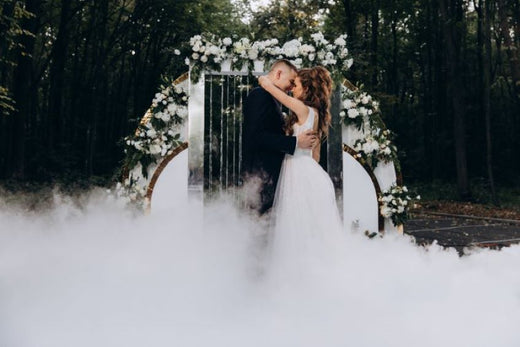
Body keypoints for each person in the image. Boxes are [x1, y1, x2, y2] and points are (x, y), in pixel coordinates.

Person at [258, 66, 344, 271]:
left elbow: (280, 96)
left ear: (307, 88)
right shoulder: (316, 114)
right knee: (305, 224)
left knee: (295, 223)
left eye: (295, 85)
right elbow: (316, 155)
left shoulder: (304, 109)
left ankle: (297, 272)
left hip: (298, 170)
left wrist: (266, 83)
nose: (292, 89)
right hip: (307, 170)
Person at [241, 60, 317, 216]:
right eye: (291, 82)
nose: (291, 87)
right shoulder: (260, 95)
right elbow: (255, 136)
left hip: (271, 175)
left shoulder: (272, 98)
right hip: (260, 175)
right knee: (257, 226)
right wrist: (295, 142)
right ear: (278, 73)